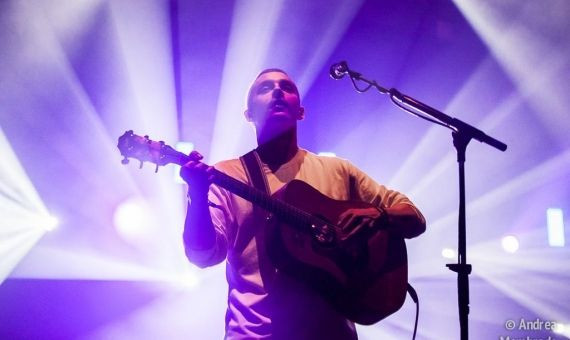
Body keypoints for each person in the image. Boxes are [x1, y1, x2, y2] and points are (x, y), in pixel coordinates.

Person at [180, 69, 426, 340]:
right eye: (264, 89)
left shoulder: (338, 170)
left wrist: (378, 214)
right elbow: (202, 255)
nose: (276, 91)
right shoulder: (228, 175)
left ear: (301, 111)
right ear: (248, 115)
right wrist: (197, 195)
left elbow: (414, 217)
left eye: (286, 87)